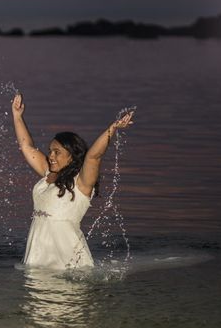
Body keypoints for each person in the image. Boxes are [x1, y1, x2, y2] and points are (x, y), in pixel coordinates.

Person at [11, 93, 134, 270]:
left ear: (71, 155)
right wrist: (17, 116)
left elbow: (93, 156)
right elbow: (26, 146)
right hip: (37, 256)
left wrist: (112, 129)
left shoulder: (82, 182)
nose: (51, 156)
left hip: (68, 262)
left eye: (57, 152)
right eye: (50, 151)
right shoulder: (48, 173)